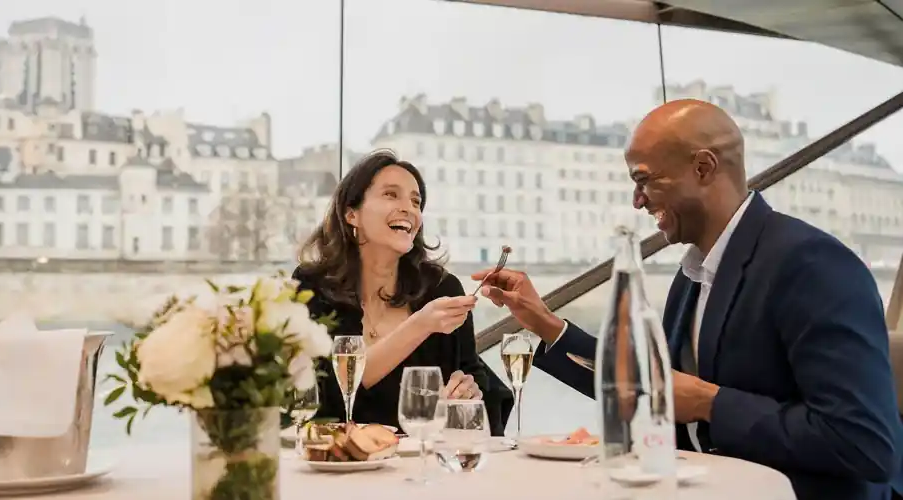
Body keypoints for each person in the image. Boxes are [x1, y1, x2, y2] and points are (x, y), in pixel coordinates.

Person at [473, 100, 903, 500]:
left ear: (703, 167)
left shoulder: (812, 264)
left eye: (643, 180)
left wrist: (708, 402)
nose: (637, 201)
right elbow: (650, 388)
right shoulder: (693, 274)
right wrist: (543, 321)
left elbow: (863, 444)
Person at [293, 149, 511, 434]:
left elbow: (475, 379)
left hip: (419, 466)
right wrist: (420, 325)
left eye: (416, 200)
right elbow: (325, 395)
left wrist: (469, 394)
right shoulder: (312, 286)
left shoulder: (440, 288)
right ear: (351, 214)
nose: (409, 208)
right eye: (391, 195)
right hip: (339, 465)